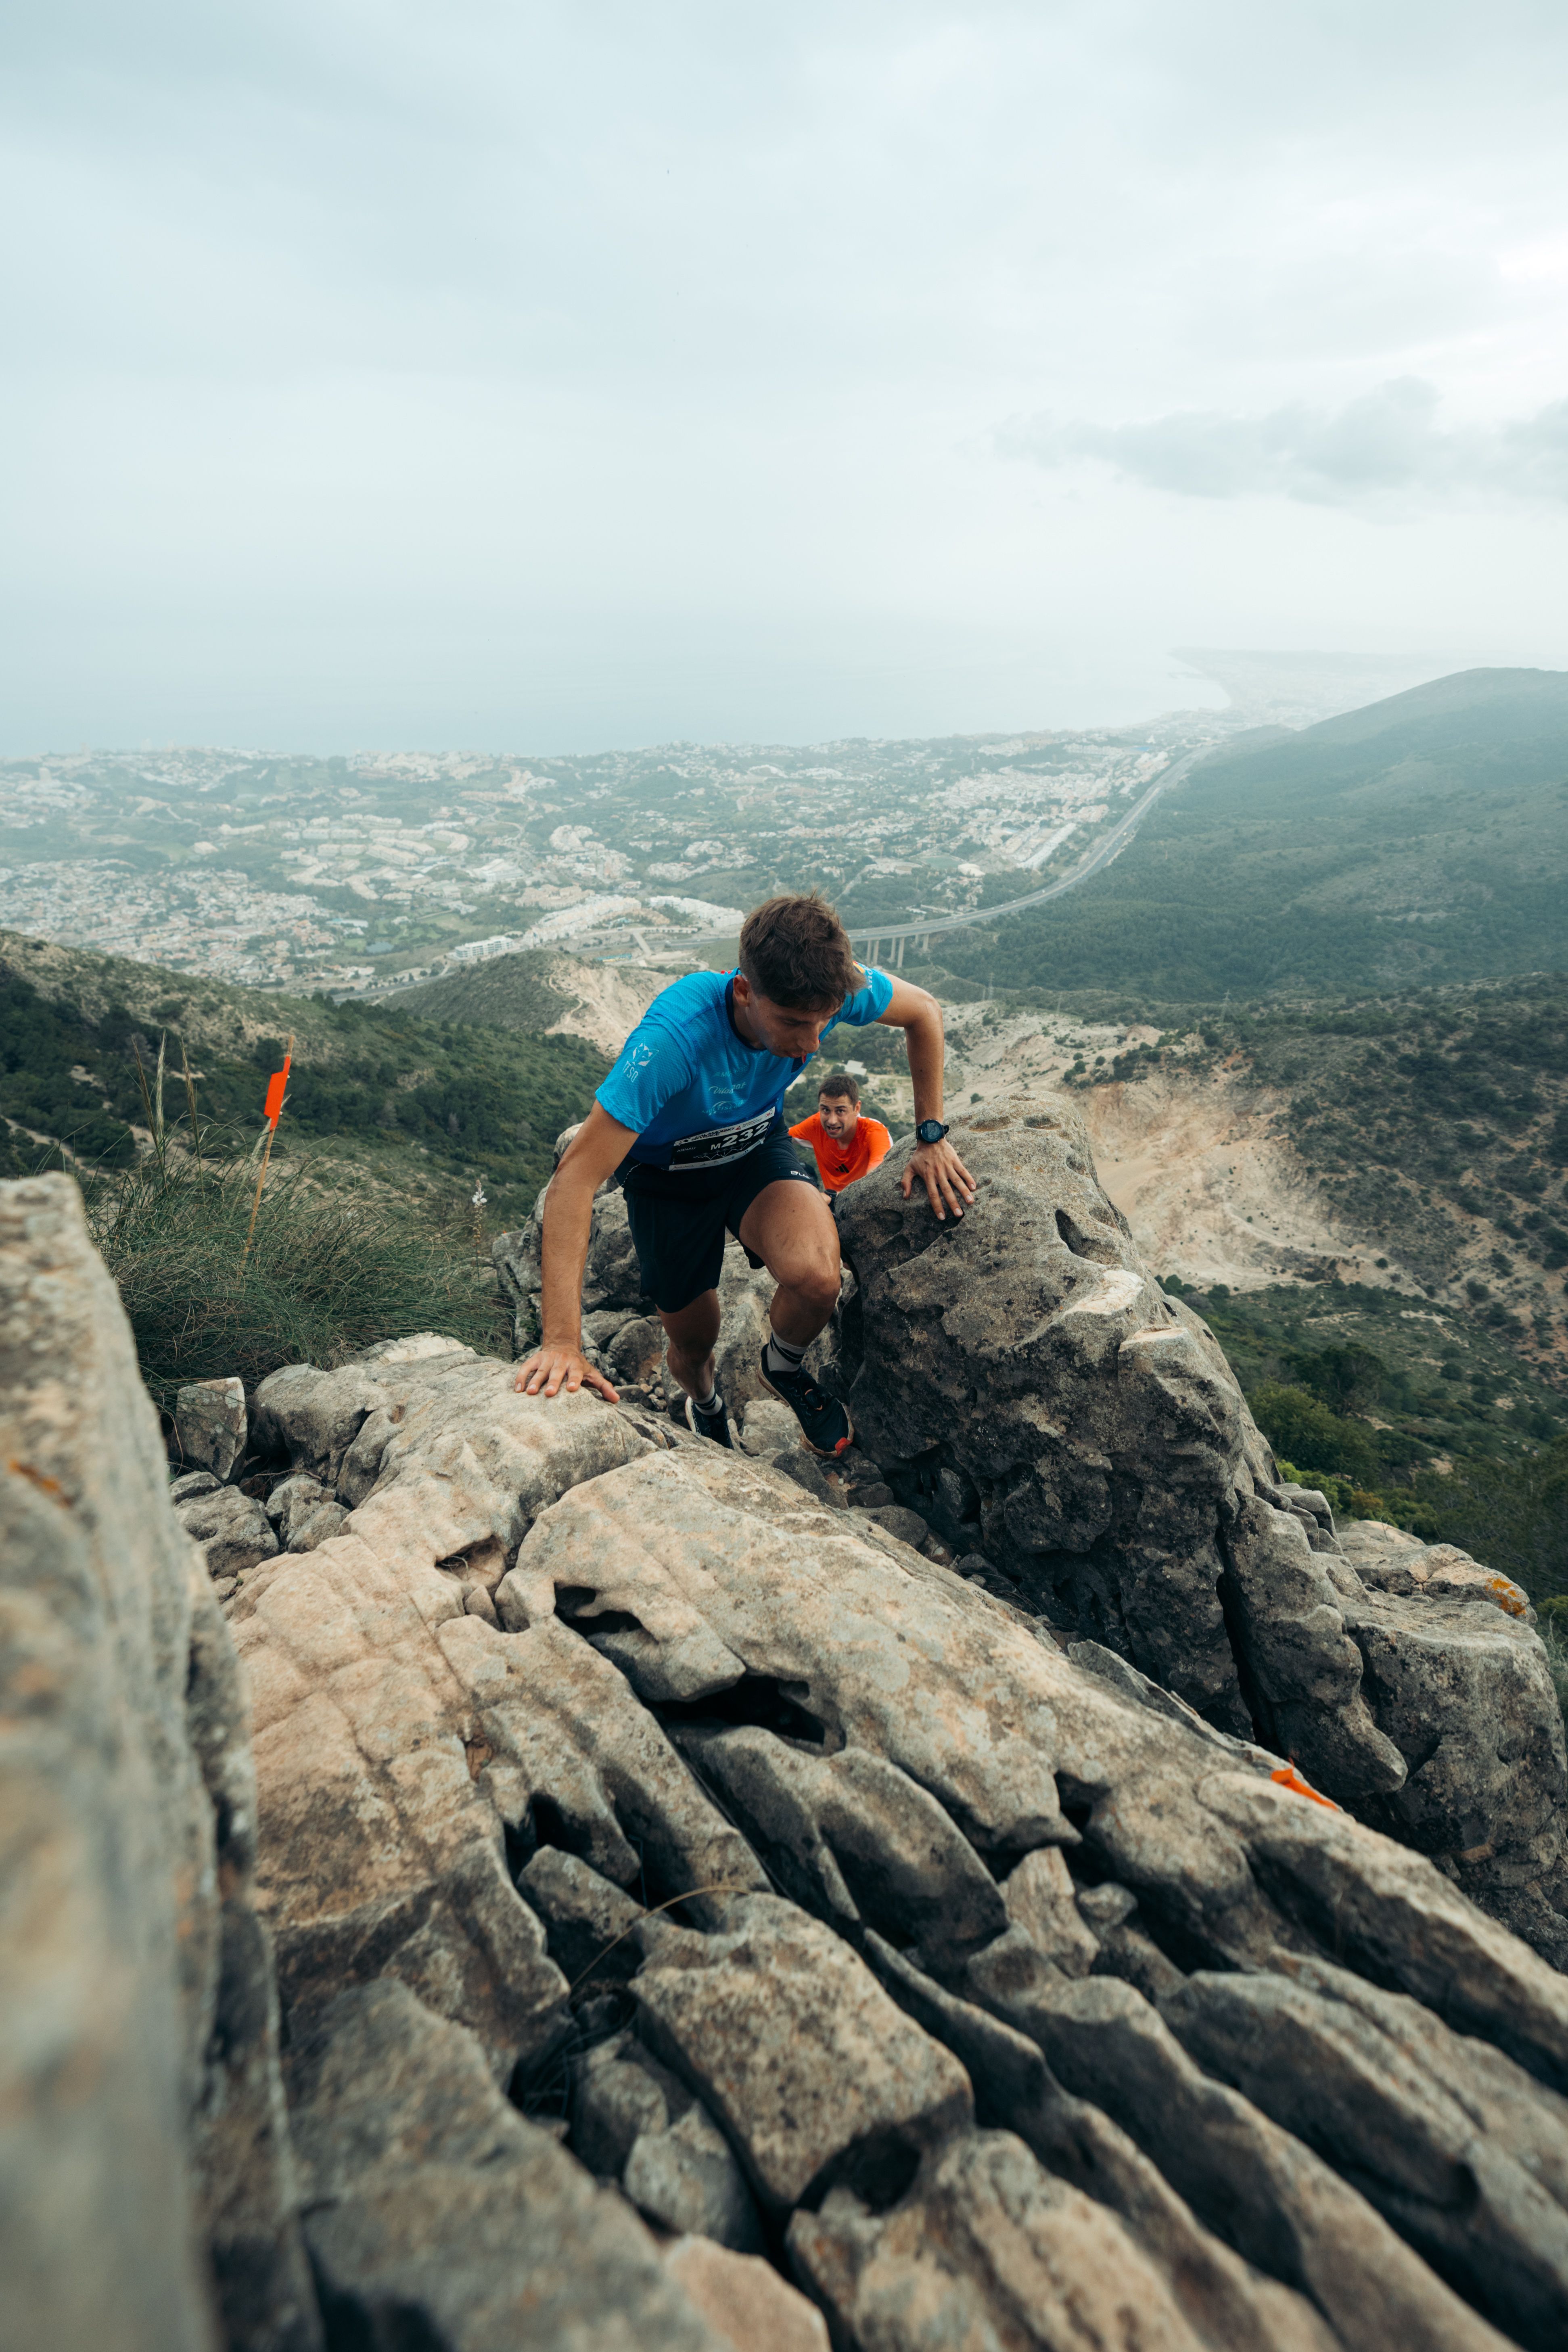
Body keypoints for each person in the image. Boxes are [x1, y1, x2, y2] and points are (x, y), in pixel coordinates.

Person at [513, 892, 975, 1454]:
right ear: (743, 991)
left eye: (823, 1022)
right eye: (792, 1023)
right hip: (668, 1181)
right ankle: (705, 1403)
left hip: (754, 1148)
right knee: (694, 1340)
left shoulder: (825, 985)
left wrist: (930, 1135)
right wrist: (563, 1340)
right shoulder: (673, 1042)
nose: (809, 1044)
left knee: (817, 1279)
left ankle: (782, 1368)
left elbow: (923, 1011)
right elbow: (575, 1178)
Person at [789, 1070, 891, 1198]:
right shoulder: (816, 1125)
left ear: (857, 1108)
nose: (832, 1121)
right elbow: (782, 1138)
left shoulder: (874, 1132)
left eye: (841, 1111)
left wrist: (833, 1198)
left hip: (861, 1203)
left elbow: (876, 1180)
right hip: (828, 1201)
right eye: (826, 1110)